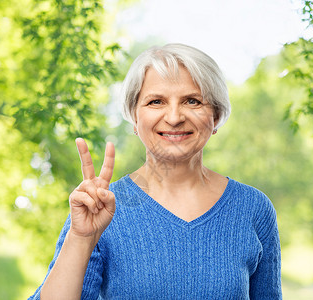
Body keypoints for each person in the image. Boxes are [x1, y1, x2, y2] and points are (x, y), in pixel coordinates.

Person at [29, 43, 282, 299]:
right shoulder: (99, 207)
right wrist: (81, 238)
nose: (174, 117)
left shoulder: (253, 208)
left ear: (215, 116)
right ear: (134, 117)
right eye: (156, 101)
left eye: (192, 101)